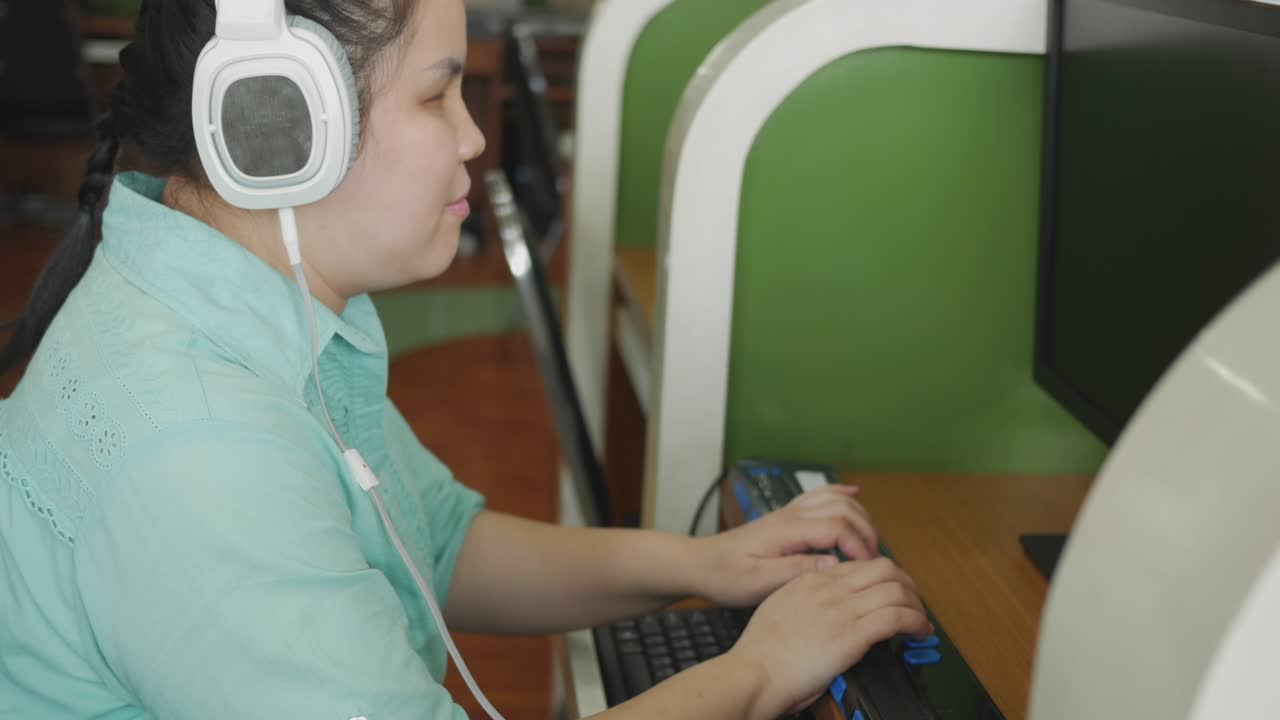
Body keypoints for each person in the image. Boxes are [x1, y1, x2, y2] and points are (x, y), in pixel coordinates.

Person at [0, 0, 932, 718]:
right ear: (275, 129)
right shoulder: (199, 448)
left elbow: (440, 543)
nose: (475, 135)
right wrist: (761, 671)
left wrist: (704, 565)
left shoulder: (255, 313)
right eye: (436, 94)